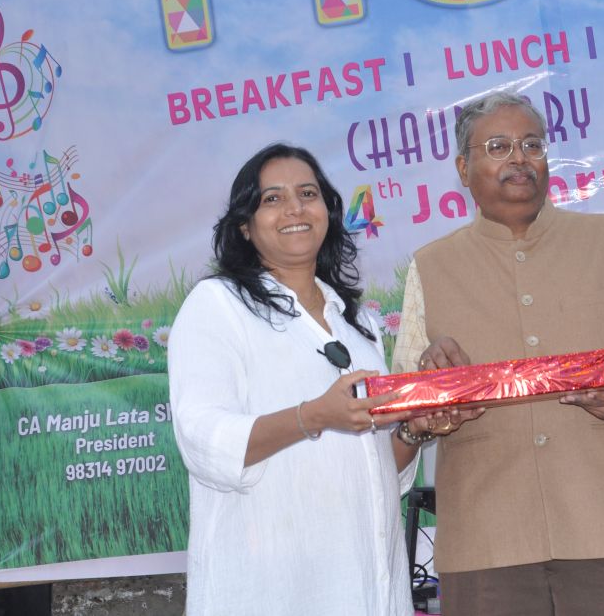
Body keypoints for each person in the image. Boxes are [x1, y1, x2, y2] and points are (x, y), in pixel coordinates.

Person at [390, 90, 604, 615]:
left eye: (531, 145)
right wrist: (432, 398)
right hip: (486, 546)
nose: (519, 158)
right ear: (463, 168)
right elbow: (408, 404)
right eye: (498, 147)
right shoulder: (431, 267)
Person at [168, 143, 475, 616]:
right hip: (272, 588)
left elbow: (373, 470)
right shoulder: (218, 305)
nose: (294, 208)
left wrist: (414, 429)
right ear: (245, 226)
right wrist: (312, 416)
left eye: (307, 193)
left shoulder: (358, 324)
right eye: (272, 198)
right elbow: (203, 439)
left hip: (366, 582)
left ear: (328, 212)